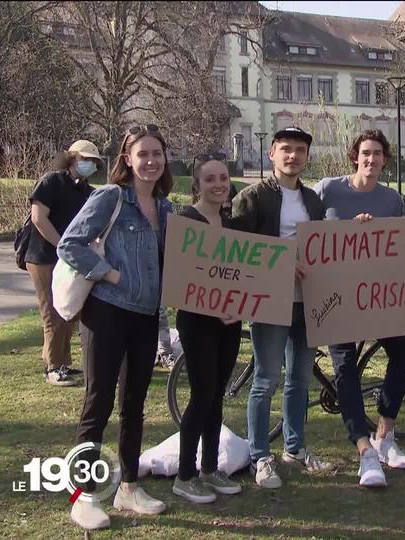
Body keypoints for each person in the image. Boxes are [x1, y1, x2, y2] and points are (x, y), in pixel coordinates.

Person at [59, 125, 174, 529]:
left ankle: (128, 486)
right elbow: (69, 243)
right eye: (142, 154)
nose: (150, 161)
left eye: (157, 153)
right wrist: (107, 274)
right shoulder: (110, 197)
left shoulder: (166, 208)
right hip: (106, 312)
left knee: (134, 405)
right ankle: (83, 495)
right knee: (98, 401)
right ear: (127, 158)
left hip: (145, 317)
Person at [231, 127, 334, 489]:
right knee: (266, 380)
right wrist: (281, 265)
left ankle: (295, 448)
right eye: (286, 149)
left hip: (310, 302)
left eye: (300, 150)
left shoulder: (313, 200)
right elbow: (240, 250)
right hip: (270, 300)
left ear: (307, 156)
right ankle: (260, 456)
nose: (293, 156)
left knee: (300, 381)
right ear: (272, 153)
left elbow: (326, 244)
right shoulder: (252, 197)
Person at [313, 129, 405, 488]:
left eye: (377, 154)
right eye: (365, 153)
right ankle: (364, 450)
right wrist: (346, 231)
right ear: (355, 156)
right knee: (344, 368)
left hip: (377, 296)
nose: (371, 160)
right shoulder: (327, 189)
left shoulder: (391, 201)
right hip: (336, 294)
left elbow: (398, 249)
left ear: (385, 160)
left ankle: (384, 435)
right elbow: (309, 235)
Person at [171, 154, 243, 504]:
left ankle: (209, 468)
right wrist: (218, 307)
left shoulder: (230, 224)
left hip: (230, 324)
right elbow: (184, 278)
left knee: (216, 394)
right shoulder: (187, 221)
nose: (219, 184)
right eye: (210, 179)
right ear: (196, 185)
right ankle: (185, 475)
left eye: (224, 178)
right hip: (198, 322)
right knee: (201, 396)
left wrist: (237, 307)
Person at [26, 139, 100, 387]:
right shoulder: (52, 181)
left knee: (69, 310)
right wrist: (62, 246)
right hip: (43, 256)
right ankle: (53, 367)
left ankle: (61, 362)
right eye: (85, 159)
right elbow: (38, 217)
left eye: (93, 162)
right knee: (53, 313)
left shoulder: (88, 192)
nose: (89, 164)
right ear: (72, 158)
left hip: (69, 260)